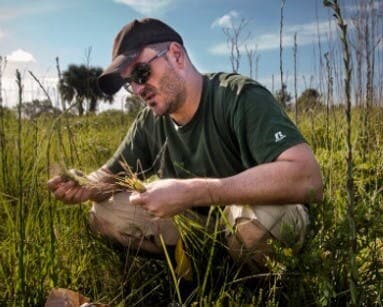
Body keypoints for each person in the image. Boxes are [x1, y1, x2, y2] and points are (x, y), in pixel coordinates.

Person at [47, 18, 323, 270]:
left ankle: (256, 288)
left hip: (251, 217)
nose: (139, 90)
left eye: (141, 73)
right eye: (131, 83)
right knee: (104, 212)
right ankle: (207, 269)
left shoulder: (239, 97)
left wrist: (194, 192)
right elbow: (109, 177)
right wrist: (83, 186)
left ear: (176, 55)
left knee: (257, 223)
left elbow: (307, 177)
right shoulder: (149, 122)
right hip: (199, 227)